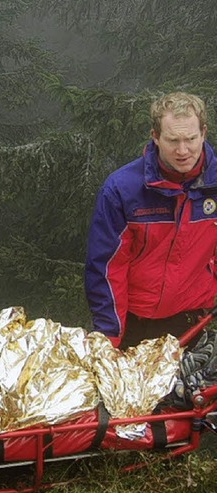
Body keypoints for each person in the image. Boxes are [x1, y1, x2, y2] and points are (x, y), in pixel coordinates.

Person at [85, 91, 217, 350]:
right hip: (134, 324)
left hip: (194, 321)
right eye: (172, 140)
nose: (183, 150)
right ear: (155, 137)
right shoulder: (122, 189)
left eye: (191, 139)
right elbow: (107, 267)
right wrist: (109, 335)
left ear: (203, 132)